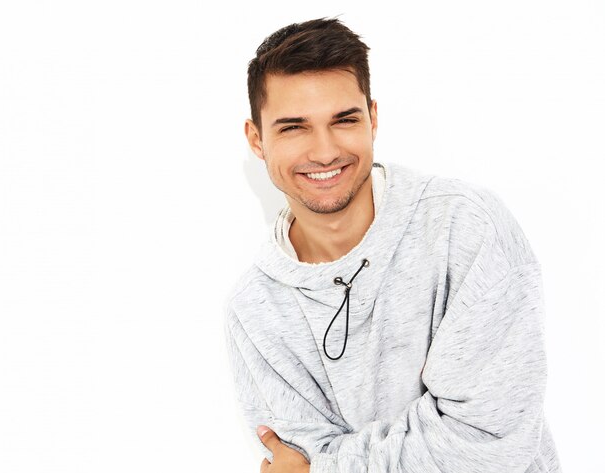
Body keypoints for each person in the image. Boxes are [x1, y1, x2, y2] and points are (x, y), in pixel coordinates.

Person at [224, 16, 562, 473]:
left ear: (373, 119)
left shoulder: (464, 228)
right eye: (293, 127)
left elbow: (489, 443)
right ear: (257, 140)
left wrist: (327, 468)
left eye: (344, 120)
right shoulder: (254, 309)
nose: (324, 151)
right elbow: (295, 457)